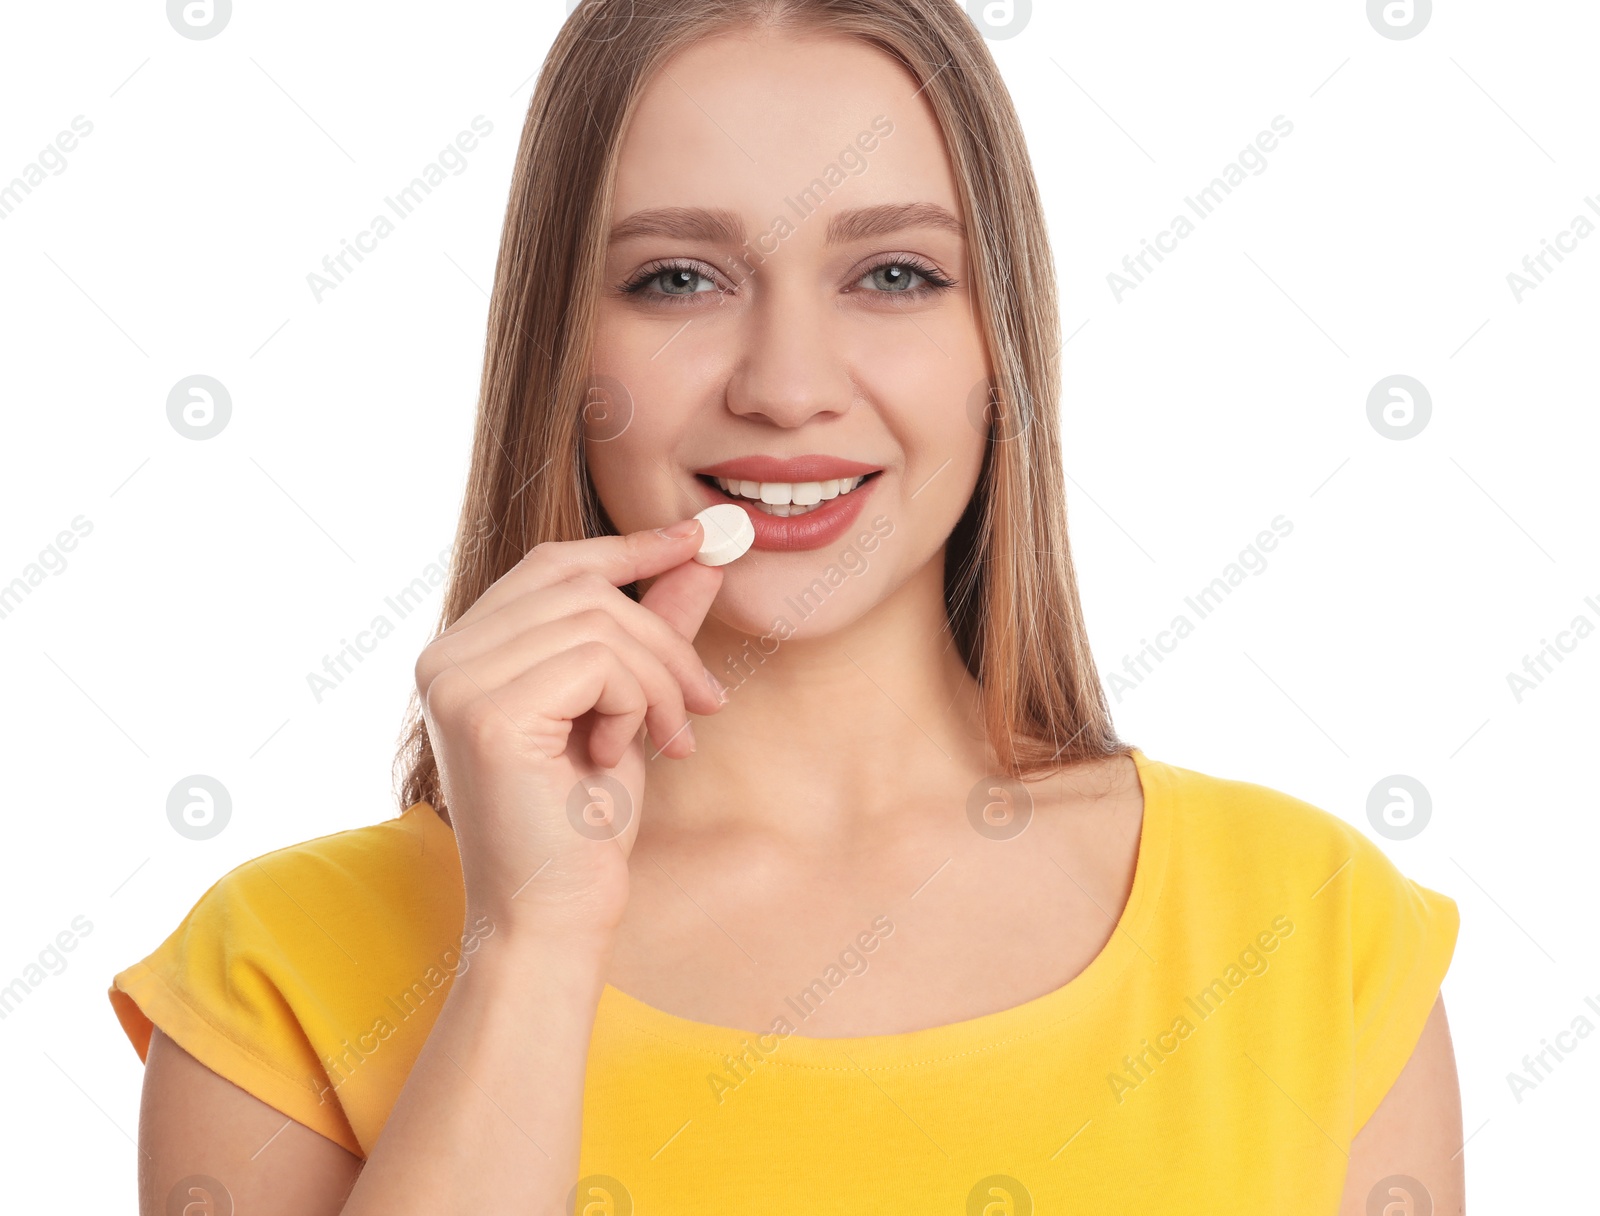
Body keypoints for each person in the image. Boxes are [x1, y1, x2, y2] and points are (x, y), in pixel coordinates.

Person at [108, 2, 1463, 1212]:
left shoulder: (1311, 929)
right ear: (563, 353)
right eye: (677, 279)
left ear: (1000, 350)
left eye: (893, 275)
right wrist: (530, 943)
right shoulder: (283, 974)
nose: (788, 384)